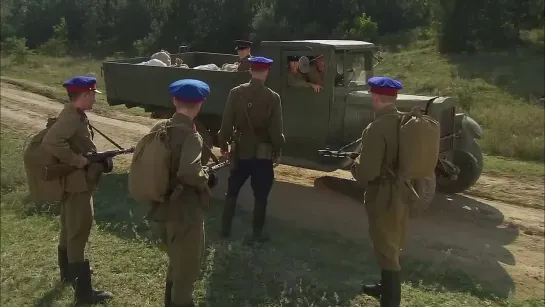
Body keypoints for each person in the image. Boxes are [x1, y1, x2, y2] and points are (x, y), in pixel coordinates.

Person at [40, 76, 113, 304]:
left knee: (68, 229)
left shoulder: (74, 114)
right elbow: (51, 142)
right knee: (79, 232)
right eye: (93, 94)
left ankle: (68, 276)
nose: (94, 98)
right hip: (77, 185)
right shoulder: (72, 118)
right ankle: (84, 293)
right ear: (84, 94)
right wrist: (76, 160)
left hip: (72, 183)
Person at [146, 79, 211, 307]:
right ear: (200, 104)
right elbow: (190, 172)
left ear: (174, 101)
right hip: (185, 211)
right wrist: (206, 176)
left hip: (163, 207)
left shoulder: (161, 128)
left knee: (176, 261)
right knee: (187, 271)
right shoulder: (192, 136)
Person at [351, 76, 408, 307]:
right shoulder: (404, 121)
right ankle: (384, 288)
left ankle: (390, 301)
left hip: (384, 194)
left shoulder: (376, 128)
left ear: (375, 97)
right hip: (403, 190)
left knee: (386, 248)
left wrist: (353, 166)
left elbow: (368, 173)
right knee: (391, 243)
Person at [218, 56, 285, 244]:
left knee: (232, 191)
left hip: (240, 152)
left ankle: (225, 229)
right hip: (262, 156)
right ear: (266, 72)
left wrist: (224, 144)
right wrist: (278, 151)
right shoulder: (273, 98)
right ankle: (257, 233)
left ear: (250, 71)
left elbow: (226, 125)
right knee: (261, 196)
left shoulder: (235, 93)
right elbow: (276, 132)